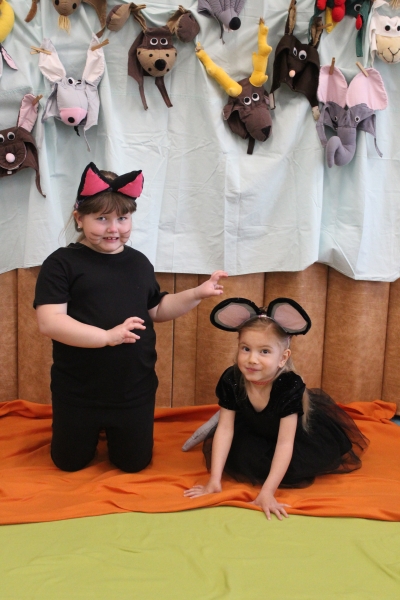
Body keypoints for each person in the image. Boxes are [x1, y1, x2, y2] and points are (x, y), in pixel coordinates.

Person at [34, 162, 228, 473]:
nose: (114, 229)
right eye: (102, 219)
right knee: (68, 463)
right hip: (78, 391)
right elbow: (50, 321)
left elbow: (157, 310)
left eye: (122, 218)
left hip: (133, 390)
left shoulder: (138, 263)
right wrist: (106, 337)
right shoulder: (61, 264)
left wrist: (197, 293)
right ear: (79, 218)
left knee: (134, 464)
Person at [184, 297, 368, 520]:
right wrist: (214, 480)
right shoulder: (232, 378)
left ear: (283, 358)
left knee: (293, 469)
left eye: (264, 351)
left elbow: (285, 442)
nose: (252, 359)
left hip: (291, 438)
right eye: (246, 349)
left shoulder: (288, 386)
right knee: (242, 454)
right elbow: (225, 429)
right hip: (254, 429)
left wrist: (267, 492)